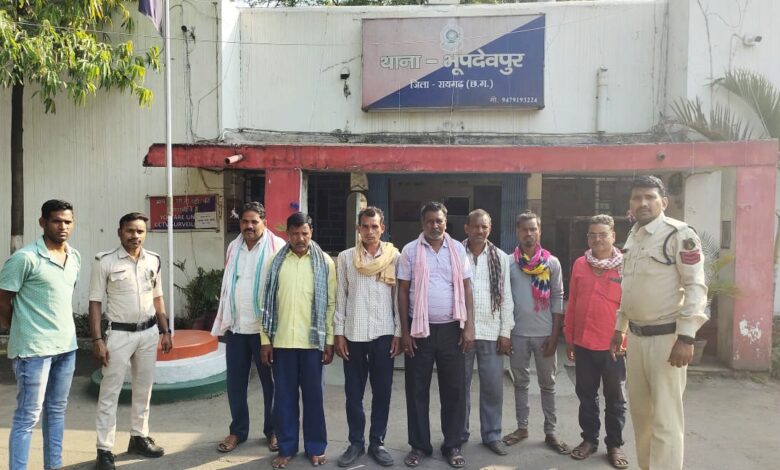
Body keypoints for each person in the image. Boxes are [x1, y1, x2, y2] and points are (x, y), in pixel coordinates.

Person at [610, 175, 707, 470]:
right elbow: (630, 287)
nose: (643, 203)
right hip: (636, 339)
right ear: (630, 204)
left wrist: (686, 337)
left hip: (667, 340)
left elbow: (695, 286)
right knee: (642, 417)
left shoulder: (679, 235)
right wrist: (619, 327)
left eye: (649, 197)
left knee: (666, 420)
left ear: (663, 202)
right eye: (637, 198)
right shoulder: (634, 236)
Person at [0, 199, 81, 470]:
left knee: (56, 412)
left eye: (68, 221)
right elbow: (3, 300)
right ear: (43, 223)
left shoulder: (74, 257)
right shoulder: (25, 258)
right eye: (57, 221)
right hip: (33, 351)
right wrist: (18, 328)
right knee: (28, 416)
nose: (63, 226)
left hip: (66, 348)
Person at [88, 212, 173, 470]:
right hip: (118, 335)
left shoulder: (153, 260)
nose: (135, 236)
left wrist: (165, 330)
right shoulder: (105, 261)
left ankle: (139, 437)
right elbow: (95, 302)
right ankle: (104, 450)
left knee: (144, 389)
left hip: (148, 333)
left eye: (140, 231)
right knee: (109, 392)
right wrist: (97, 339)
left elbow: (158, 297)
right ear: (120, 232)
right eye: (130, 231)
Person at [397, 201, 475, 469]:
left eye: (439, 221)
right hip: (419, 331)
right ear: (423, 224)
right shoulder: (410, 250)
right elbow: (402, 291)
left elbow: (467, 288)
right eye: (430, 221)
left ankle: (452, 445)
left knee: (454, 390)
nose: (435, 225)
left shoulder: (458, 250)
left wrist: (469, 327)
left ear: (445, 222)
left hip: (452, 329)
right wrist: (405, 332)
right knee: (416, 390)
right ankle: (419, 445)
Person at [260, 212, 336, 469]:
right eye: (295, 234)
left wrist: (329, 341)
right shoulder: (276, 261)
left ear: (311, 232)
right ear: (288, 234)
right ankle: (286, 448)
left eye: (304, 233)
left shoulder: (325, 262)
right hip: (282, 343)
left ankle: (316, 447)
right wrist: (265, 340)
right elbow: (265, 302)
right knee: (284, 399)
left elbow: (331, 304)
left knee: (314, 399)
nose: (300, 238)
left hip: (312, 344)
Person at [211, 202, 285, 454]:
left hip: (265, 331)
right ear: (240, 223)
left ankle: (273, 431)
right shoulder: (234, 246)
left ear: (265, 222)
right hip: (237, 327)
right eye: (245, 221)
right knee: (235, 383)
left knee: (271, 384)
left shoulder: (277, 247)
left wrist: (271, 335)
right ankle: (238, 431)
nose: (249, 226)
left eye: (254, 221)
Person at [334, 206, 401, 467]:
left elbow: (398, 298)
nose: (370, 231)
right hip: (354, 335)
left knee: (382, 393)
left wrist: (398, 332)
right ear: (358, 229)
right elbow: (341, 297)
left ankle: (377, 442)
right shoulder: (346, 258)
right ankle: (355, 443)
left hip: (384, 334)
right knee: (354, 394)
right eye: (365, 226)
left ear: (382, 228)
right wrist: (339, 334)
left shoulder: (394, 257)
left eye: (375, 226)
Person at [503, 211, 570, 455]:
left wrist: (554, 336)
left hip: (544, 336)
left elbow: (558, 298)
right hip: (517, 334)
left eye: (533, 229)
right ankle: (522, 428)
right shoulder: (509, 263)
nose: (529, 234)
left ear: (539, 232)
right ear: (517, 232)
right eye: (524, 229)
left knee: (548, 384)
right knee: (520, 383)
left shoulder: (552, 263)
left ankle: (551, 431)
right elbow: (504, 299)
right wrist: (506, 334)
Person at [564, 214, 628, 469]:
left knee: (615, 399)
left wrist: (625, 337)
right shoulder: (580, 264)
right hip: (584, 343)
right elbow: (573, 302)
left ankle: (615, 444)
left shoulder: (625, 266)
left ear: (613, 236)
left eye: (603, 234)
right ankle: (589, 440)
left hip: (614, 345)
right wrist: (569, 338)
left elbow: (631, 306)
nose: (597, 239)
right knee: (586, 395)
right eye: (592, 235)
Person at [460, 209, 514, 456]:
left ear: (490, 228)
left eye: (484, 227)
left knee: (492, 387)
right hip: (462, 331)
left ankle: (492, 435)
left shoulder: (500, 257)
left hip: (491, 330)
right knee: (459, 386)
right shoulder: (456, 253)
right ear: (467, 228)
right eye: (475, 226)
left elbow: (506, 296)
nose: (480, 231)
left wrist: (505, 331)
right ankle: (458, 433)